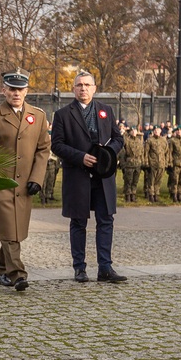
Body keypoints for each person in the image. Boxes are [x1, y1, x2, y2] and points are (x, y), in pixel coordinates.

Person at [51, 71, 126, 283]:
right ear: (73, 89)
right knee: (78, 222)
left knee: (105, 220)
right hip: (78, 175)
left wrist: (108, 152)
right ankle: (80, 268)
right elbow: (57, 145)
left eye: (87, 85)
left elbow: (118, 138)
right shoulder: (63, 114)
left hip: (103, 176)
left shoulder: (106, 110)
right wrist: (80, 157)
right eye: (79, 85)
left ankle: (105, 268)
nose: (83, 89)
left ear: (94, 88)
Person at [0, 69, 51, 292]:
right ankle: (18, 274)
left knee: (14, 230)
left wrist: (37, 178)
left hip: (25, 185)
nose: (16, 93)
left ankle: (1, 270)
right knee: (10, 229)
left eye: (20, 89)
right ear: (4, 91)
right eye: (11, 89)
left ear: (27, 91)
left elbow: (43, 149)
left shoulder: (38, 116)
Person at [143, 126, 169, 202]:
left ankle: (156, 194)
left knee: (159, 180)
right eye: (155, 130)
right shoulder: (150, 140)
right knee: (151, 180)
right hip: (152, 163)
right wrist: (146, 162)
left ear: (160, 131)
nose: (156, 132)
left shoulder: (163, 141)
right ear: (153, 131)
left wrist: (166, 162)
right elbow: (146, 152)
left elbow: (167, 152)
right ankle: (151, 194)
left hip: (161, 163)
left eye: (158, 130)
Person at [119, 127, 144, 202]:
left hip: (137, 163)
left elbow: (142, 152)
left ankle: (133, 194)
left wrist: (142, 162)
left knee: (135, 181)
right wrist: (123, 163)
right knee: (128, 181)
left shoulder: (139, 141)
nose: (134, 132)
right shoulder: (127, 140)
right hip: (129, 163)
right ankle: (127, 195)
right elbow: (122, 152)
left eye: (135, 131)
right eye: (132, 131)